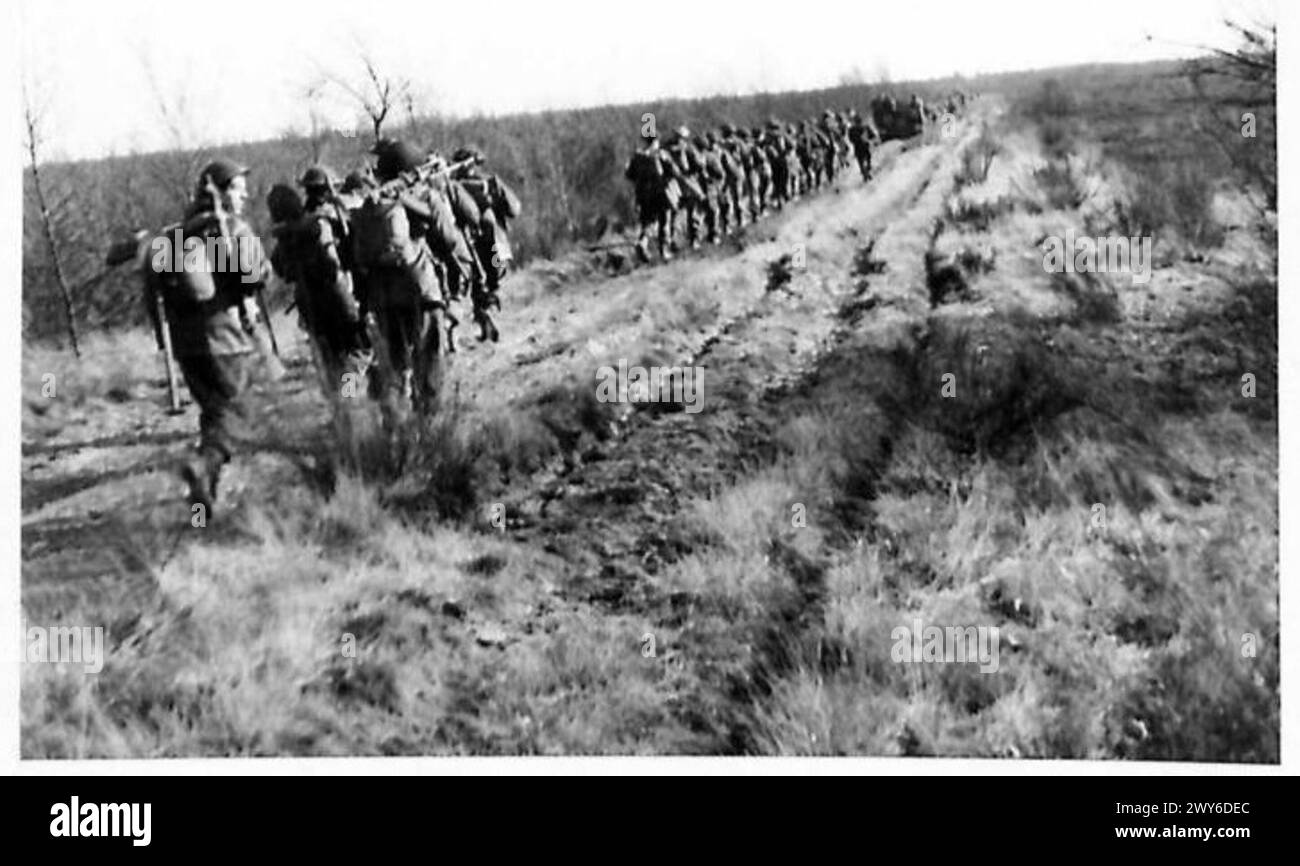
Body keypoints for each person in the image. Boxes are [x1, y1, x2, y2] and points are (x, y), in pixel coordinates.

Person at [158, 158, 271, 516]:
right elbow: (255, 277)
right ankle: (202, 465)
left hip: (187, 346)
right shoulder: (233, 229)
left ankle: (204, 498)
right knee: (239, 415)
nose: (245, 195)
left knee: (215, 413)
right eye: (238, 188)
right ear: (220, 193)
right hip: (225, 340)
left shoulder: (175, 234)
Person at [352, 139, 452, 424]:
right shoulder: (423, 196)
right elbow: (450, 239)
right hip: (419, 290)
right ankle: (429, 429)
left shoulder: (369, 204)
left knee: (389, 364)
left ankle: (387, 424)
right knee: (428, 359)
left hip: (381, 297)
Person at [450, 146, 523, 340]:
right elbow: (514, 209)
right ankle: (488, 326)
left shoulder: (466, 186)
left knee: (484, 285)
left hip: (481, 247)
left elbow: (513, 208)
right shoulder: (487, 182)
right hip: (492, 248)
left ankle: (490, 324)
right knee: (489, 283)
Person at [624, 129, 678, 263]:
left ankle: (642, 242)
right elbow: (673, 171)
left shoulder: (637, 156)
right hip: (660, 193)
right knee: (664, 220)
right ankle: (664, 251)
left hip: (643, 194)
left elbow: (629, 175)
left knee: (648, 222)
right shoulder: (660, 154)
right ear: (656, 140)